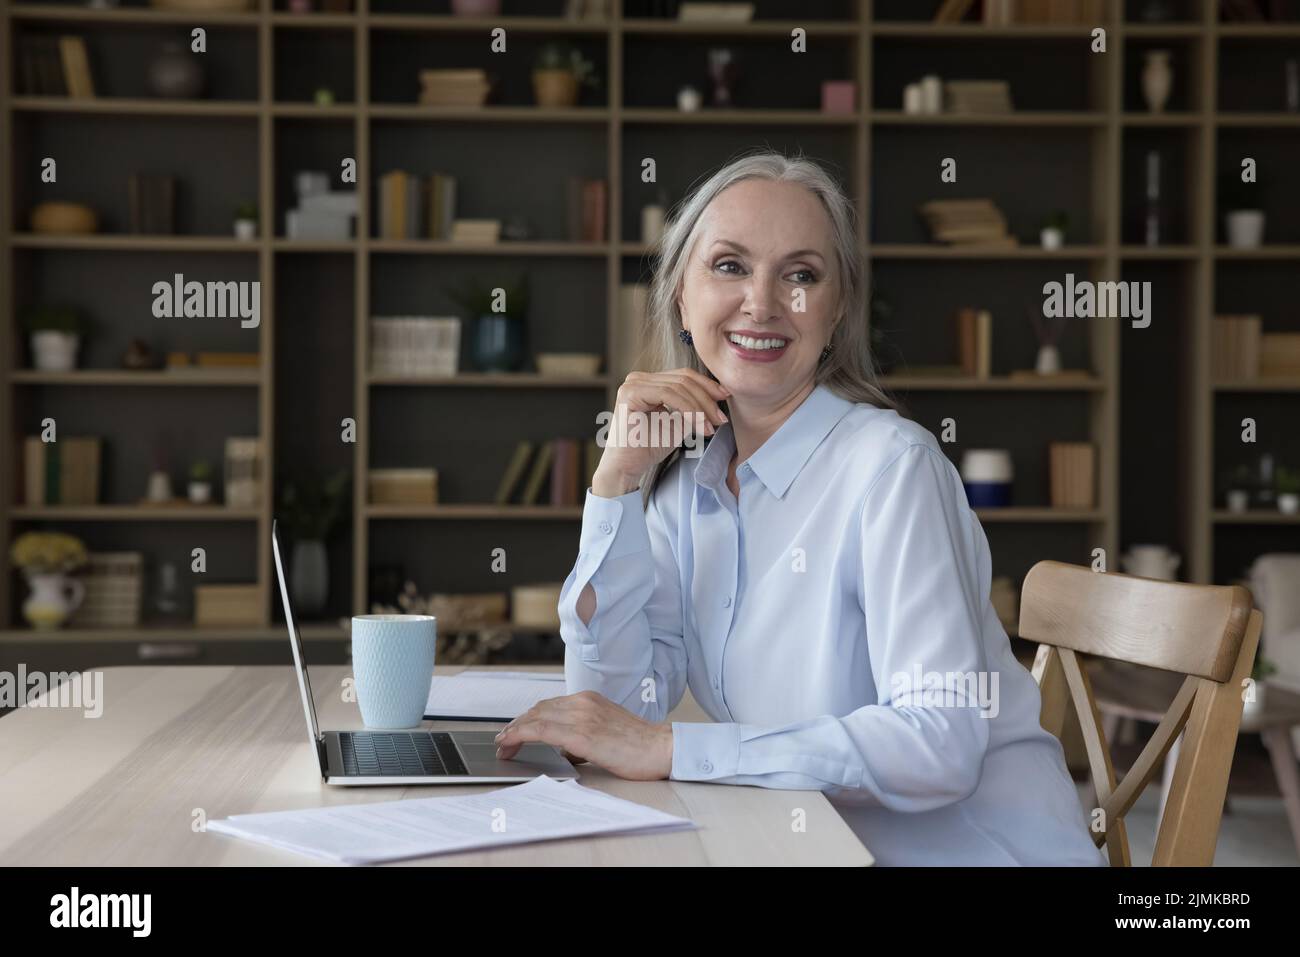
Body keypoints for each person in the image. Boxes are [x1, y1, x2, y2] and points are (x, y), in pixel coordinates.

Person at [494, 150, 1106, 866]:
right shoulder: (685, 480)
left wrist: (671, 748)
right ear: (681, 298)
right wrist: (615, 484)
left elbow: (939, 741)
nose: (762, 302)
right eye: (729, 265)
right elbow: (613, 713)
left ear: (837, 307)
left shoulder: (892, 468)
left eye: (801, 275)